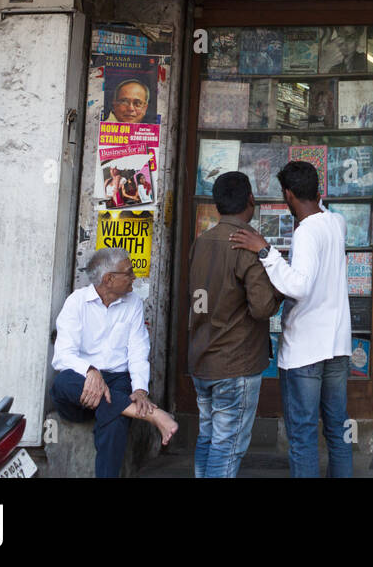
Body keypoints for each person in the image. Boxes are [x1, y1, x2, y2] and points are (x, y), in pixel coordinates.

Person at [229, 161, 352, 477]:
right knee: (337, 431)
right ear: (317, 191)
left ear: (288, 194)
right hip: (337, 346)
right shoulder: (336, 222)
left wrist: (265, 250)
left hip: (306, 352)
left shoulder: (308, 233)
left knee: (303, 437)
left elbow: (299, 285)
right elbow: (316, 207)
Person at [188, 172, 285, 478]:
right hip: (235, 363)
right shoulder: (247, 246)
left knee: (208, 437)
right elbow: (262, 308)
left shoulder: (201, 243)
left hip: (202, 358)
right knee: (228, 445)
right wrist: (281, 288)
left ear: (217, 205)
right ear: (251, 200)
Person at [50, 247, 178, 477]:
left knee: (116, 418)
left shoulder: (133, 304)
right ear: (109, 279)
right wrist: (90, 371)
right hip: (80, 384)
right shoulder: (77, 302)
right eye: (128, 273)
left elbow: (139, 350)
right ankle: (153, 415)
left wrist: (140, 389)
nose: (134, 277)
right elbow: (62, 355)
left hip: (116, 383)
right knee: (63, 382)